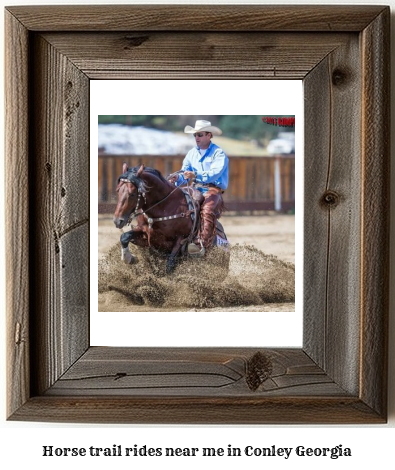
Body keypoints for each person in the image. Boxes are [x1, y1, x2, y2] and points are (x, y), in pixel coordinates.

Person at [170, 119, 229, 255]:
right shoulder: (191, 154)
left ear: (209, 135)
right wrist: (177, 178)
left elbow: (214, 174)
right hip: (194, 189)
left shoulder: (219, 154)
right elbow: (184, 173)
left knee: (207, 210)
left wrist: (195, 175)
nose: (197, 137)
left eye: (200, 134)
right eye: (195, 135)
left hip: (212, 190)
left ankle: (201, 244)